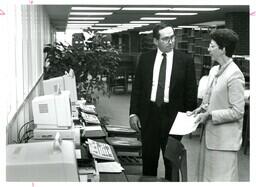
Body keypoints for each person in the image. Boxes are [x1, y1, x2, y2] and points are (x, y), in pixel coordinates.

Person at [129, 23, 197, 181]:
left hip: (173, 117)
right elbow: (137, 88)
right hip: (149, 115)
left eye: (172, 37)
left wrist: (187, 120)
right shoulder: (145, 59)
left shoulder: (185, 60)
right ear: (155, 41)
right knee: (149, 160)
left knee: (171, 163)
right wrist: (133, 113)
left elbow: (190, 91)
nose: (171, 41)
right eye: (166, 38)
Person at [190, 28, 245, 181]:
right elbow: (209, 100)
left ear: (223, 49)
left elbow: (238, 111)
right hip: (209, 138)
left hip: (224, 143)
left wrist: (210, 115)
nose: (208, 49)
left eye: (212, 46)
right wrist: (200, 109)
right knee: (206, 179)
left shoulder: (235, 74)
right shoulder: (214, 70)